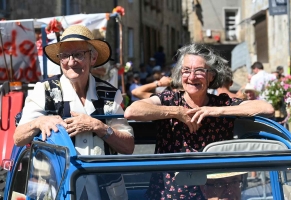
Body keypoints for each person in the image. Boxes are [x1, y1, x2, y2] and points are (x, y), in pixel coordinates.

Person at [124, 43, 274, 199]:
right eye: (186, 70)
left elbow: (266, 108)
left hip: (216, 194)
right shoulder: (169, 100)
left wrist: (216, 110)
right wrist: (176, 112)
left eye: (199, 71)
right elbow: (131, 111)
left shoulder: (221, 103)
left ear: (211, 76)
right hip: (170, 193)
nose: (192, 77)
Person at [14, 25, 134, 199]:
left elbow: (128, 146)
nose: (71, 62)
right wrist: (39, 122)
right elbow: (18, 138)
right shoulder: (44, 90)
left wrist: (98, 126)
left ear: (93, 58)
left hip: (105, 192)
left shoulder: (109, 94)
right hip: (55, 191)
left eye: (78, 54)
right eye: (64, 56)